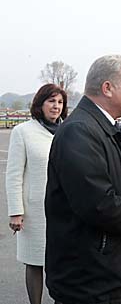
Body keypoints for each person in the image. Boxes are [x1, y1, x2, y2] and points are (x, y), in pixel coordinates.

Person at [44, 55, 121, 304]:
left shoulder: (105, 128)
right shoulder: (79, 132)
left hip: (107, 274)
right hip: (90, 280)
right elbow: (97, 203)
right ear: (107, 88)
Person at [6, 83, 67, 304]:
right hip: (35, 211)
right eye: (51, 101)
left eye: (60, 102)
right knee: (34, 261)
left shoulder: (69, 130)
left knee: (64, 261)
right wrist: (16, 212)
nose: (56, 106)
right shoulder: (23, 132)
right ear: (40, 104)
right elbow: (14, 175)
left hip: (66, 209)